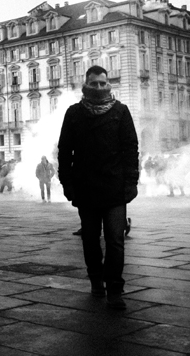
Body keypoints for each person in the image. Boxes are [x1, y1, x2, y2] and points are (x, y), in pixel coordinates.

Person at [58, 65, 139, 310]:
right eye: (94, 84)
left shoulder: (121, 111)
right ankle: (96, 279)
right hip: (86, 187)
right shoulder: (74, 113)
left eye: (103, 83)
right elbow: (64, 152)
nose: (99, 88)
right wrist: (67, 183)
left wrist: (131, 183)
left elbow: (131, 150)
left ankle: (115, 288)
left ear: (109, 85)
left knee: (115, 239)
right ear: (86, 85)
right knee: (91, 239)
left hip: (114, 188)